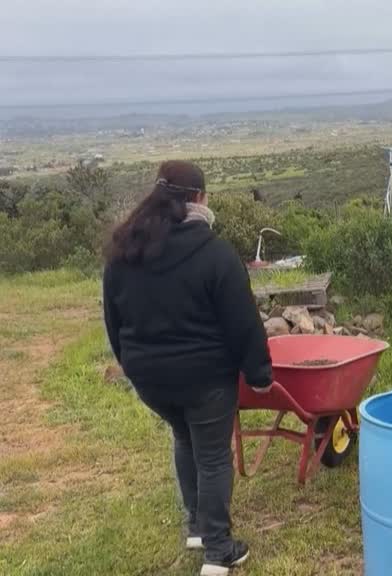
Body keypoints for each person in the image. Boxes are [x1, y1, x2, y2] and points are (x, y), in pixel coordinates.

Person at [102, 160, 272, 576]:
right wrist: (260, 373)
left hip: (150, 379)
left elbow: (113, 317)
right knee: (213, 456)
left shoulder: (125, 250)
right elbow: (243, 321)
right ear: (198, 199)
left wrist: (129, 363)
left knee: (184, 438)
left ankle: (197, 525)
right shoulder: (214, 253)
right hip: (205, 379)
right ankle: (218, 551)